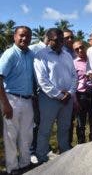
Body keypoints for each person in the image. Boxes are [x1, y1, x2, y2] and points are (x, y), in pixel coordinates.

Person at [34, 28, 77, 163]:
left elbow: (74, 76)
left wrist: (70, 93)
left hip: (67, 99)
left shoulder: (67, 55)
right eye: (56, 40)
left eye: (61, 40)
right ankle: (41, 157)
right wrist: (59, 95)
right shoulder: (41, 55)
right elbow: (42, 80)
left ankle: (63, 154)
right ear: (48, 39)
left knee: (64, 128)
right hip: (49, 99)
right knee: (45, 129)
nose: (59, 43)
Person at [0, 26, 35, 174]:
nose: (24, 39)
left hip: (27, 100)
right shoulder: (10, 54)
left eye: (27, 36)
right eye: (21, 35)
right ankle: (12, 168)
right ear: (14, 36)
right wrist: (5, 104)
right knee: (10, 135)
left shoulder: (31, 54)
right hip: (11, 99)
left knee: (26, 134)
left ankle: (25, 164)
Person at [28, 31, 50, 164]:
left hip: (47, 93)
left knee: (45, 122)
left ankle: (44, 148)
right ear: (47, 38)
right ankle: (32, 151)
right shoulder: (33, 49)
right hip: (34, 93)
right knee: (35, 123)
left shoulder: (53, 51)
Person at [73, 40, 92, 143]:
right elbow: (72, 81)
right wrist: (75, 100)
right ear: (74, 51)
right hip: (80, 95)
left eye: (82, 47)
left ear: (86, 47)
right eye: (76, 49)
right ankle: (81, 144)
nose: (80, 50)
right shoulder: (73, 63)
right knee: (80, 122)